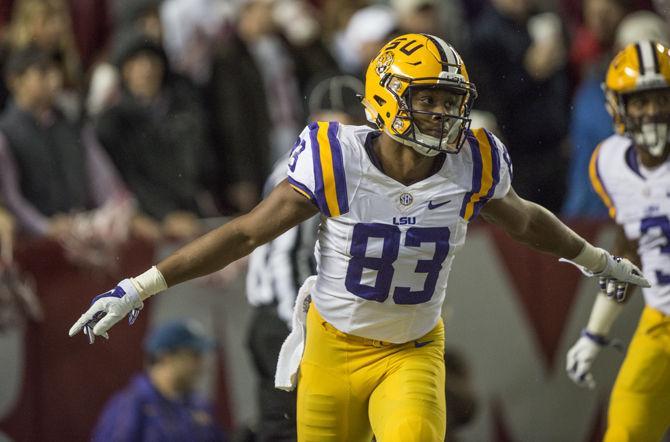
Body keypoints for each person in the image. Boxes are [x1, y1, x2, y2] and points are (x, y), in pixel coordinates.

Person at [70, 34, 649, 441]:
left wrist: (595, 260)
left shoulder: (474, 160)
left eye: (451, 101)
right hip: (332, 349)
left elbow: (523, 219)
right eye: (428, 99)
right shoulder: (336, 157)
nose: (444, 114)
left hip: (412, 352)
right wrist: (142, 286)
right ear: (387, 97)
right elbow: (246, 232)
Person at [565, 40, 670, 441]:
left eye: (661, 99)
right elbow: (629, 252)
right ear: (618, 107)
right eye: (640, 102)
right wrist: (595, 332)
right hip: (661, 320)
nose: (653, 112)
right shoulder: (610, 163)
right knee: (625, 432)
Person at [91, 319, 225, 442]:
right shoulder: (131, 405)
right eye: (194, 356)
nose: (202, 365)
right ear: (165, 357)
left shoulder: (198, 405)